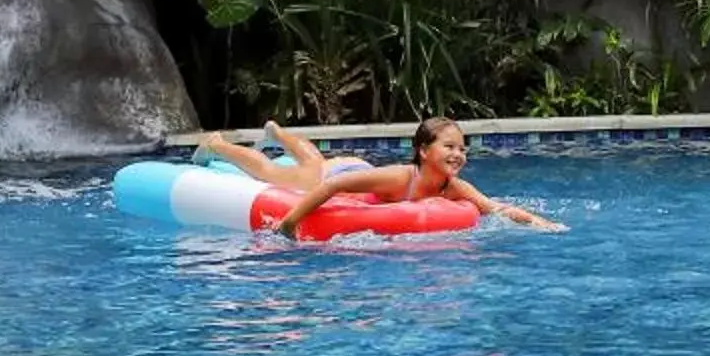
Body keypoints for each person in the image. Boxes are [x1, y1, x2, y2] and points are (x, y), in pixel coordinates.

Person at [271, 116, 565, 236]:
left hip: (360, 177)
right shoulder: (399, 178)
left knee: (311, 158)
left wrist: (540, 222)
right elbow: (333, 185)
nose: (458, 154)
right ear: (423, 151)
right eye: (449, 146)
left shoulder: (454, 187)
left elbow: (496, 208)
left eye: (462, 149)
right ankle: (228, 143)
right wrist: (289, 223)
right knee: (281, 170)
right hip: (343, 174)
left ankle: (282, 136)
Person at [194, 122, 368, 189]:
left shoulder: (396, 173)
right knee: (268, 171)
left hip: (354, 168)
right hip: (329, 179)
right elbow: (331, 188)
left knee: (315, 161)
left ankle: (276, 133)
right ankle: (215, 145)